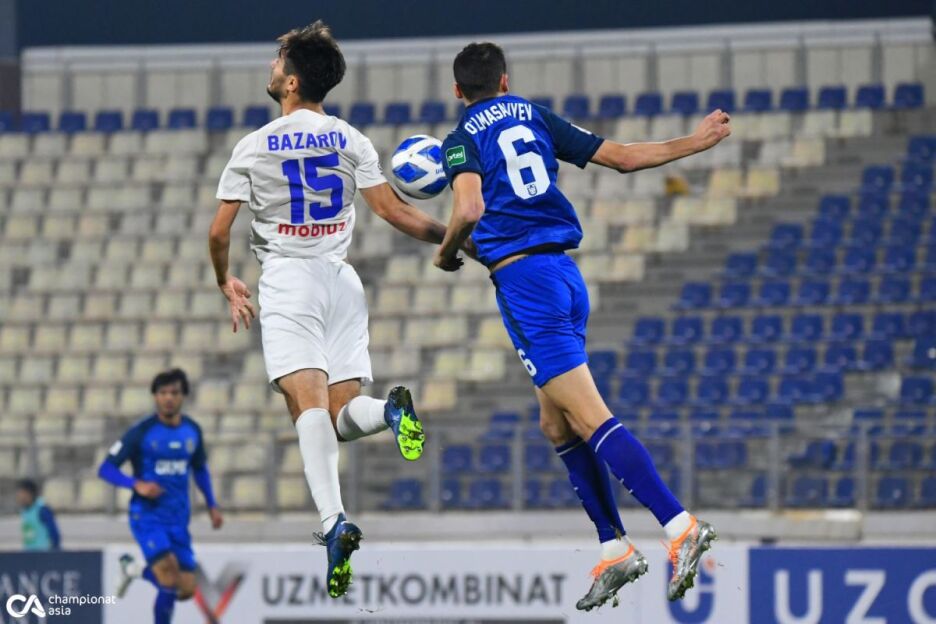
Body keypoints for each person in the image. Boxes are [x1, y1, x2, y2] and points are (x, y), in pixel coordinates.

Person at [434, 42, 731, 609]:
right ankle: (613, 547)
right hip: (565, 278)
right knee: (556, 423)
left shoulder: (459, 139)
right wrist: (694, 141)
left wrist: (446, 252)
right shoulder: (532, 114)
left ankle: (680, 525)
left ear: (457, 91)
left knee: (592, 419)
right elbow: (621, 157)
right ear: (504, 81)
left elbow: (468, 209)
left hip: (526, 285)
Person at [208, 20, 463, 598]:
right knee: (342, 415)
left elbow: (219, 231)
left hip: (289, 279)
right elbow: (396, 213)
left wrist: (225, 279)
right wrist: (457, 239)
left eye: (279, 61)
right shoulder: (350, 140)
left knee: (307, 410)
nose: (272, 67)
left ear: (292, 82)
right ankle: (390, 411)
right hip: (342, 282)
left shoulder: (253, 145)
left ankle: (333, 524)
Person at [98, 369, 222, 624]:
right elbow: (106, 468)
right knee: (168, 577)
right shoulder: (140, 432)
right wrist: (135, 484)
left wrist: (212, 504)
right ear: (155, 396)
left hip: (178, 518)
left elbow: (199, 469)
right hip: (148, 516)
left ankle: (133, 569)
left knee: (185, 589)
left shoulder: (192, 431)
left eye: (174, 392)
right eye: (163, 393)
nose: (168, 398)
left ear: (183, 396)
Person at [16, 479, 61, 551]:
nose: (20, 497)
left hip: (43, 554)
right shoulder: (25, 512)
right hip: (29, 554)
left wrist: (53, 553)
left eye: (22, 494)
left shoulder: (42, 510)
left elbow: (55, 535)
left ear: (30, 494)